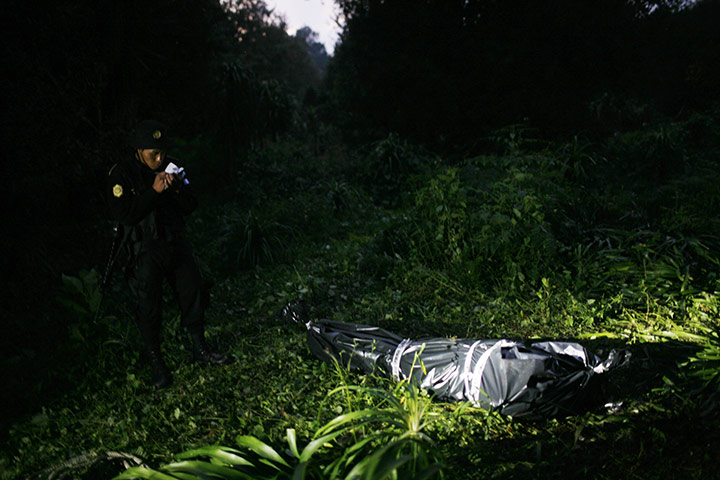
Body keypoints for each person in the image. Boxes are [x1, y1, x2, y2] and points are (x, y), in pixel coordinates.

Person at [107, 119, 229, 388]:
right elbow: (125, 214)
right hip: (145, 252)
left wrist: (176, 189)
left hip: (175, 243)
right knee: (149, 307)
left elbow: (191, 205)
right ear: (139, 150)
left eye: (162, 152)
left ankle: (200, 349)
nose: (159, 158)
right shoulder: (122, 174)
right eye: (154, 154)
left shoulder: (171, 165)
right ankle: (156, 364)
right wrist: (153, 191)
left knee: (193, 292)